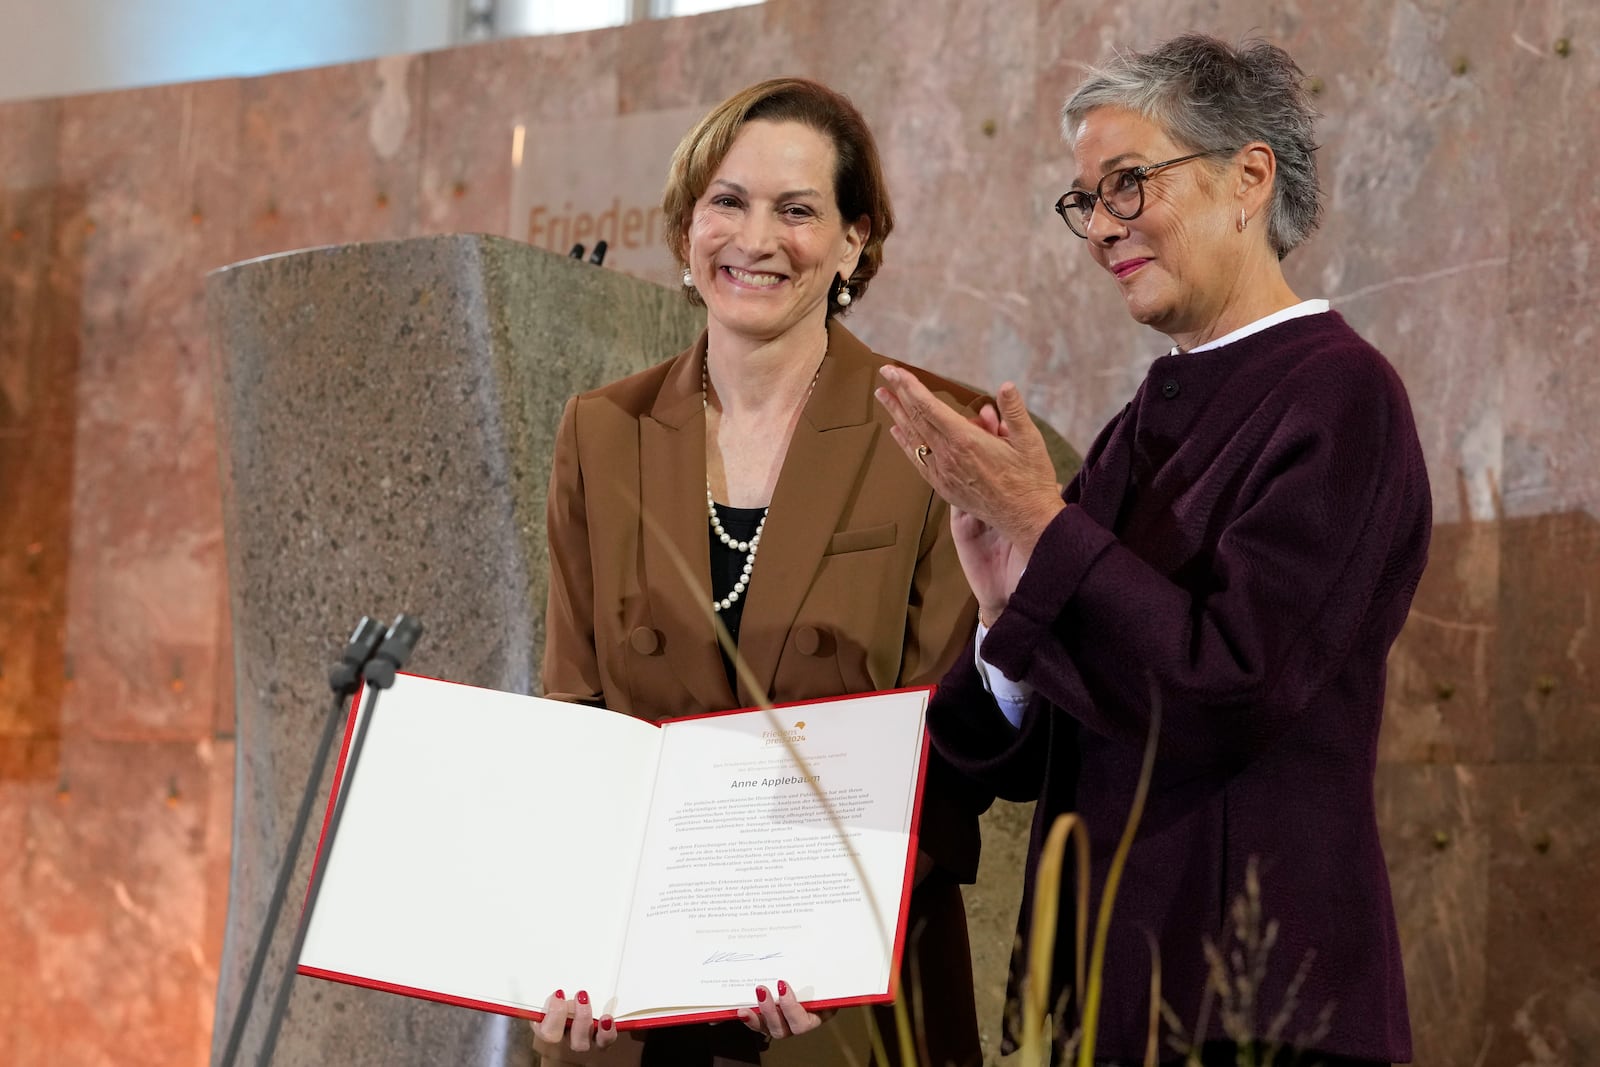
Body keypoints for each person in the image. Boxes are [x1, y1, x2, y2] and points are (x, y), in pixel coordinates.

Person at [875, 34, 1428, 1067]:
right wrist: (1002, 615)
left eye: (1128, 183)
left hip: (1249, 1003)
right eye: (1085, 199)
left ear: (1247, 177)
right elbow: (1015, 752)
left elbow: (1232, 683)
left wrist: (1046, 530)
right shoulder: (1143, 421)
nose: (1100, 226)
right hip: (1097, 1000)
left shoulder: (1340, 393)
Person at [537, 77, 989, 1067]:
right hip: (636, 1000)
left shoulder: (932, 433)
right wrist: (560, 946)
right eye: (727, 202)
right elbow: (573, 711)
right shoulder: (599, 431)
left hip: (845, 995)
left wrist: (821, 940)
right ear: (687, 225)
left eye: (797, 209)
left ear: (854, 241)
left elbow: (947, 739)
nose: (755, 238)